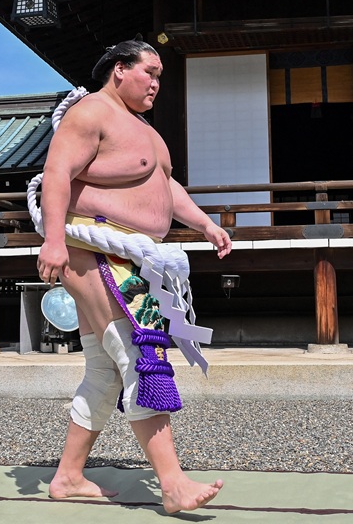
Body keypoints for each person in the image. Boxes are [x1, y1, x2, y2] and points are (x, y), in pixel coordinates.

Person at [36, 40, 232, 514]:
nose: (156, 83)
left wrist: (204, 223)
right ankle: (172, 482)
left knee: (103, 370)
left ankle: (67, 476)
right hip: (96, 249)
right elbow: (57, 172)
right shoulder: (91, 111)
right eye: (150, 72)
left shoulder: (144, 130)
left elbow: (165, 186)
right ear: (120, 70)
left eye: (160, 76)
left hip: (135, 256)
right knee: (135, 349)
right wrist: (54, 240)